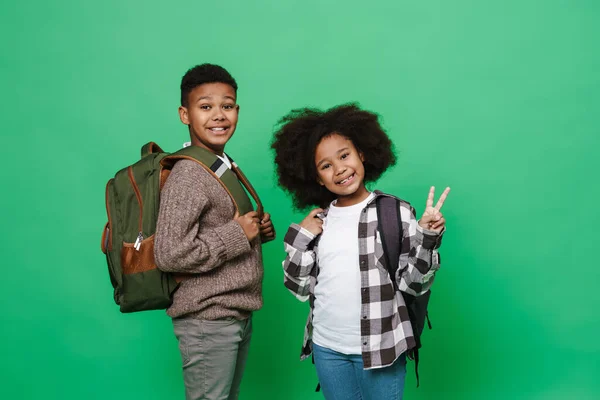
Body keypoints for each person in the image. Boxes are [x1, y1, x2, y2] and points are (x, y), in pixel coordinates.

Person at [271, 103, 450, 399]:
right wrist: (301, 236)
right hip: (328, 349)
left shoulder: (397, 212)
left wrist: (428, 236)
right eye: (326, 165)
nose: (339, 168)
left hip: (384, 345)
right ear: (317, 177)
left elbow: (413, 284)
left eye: (345, 156)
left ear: (362, 154)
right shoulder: (318, 223)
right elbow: (298, 288)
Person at [154, 63, 275, 400]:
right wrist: (238, 233)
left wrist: (256, 230)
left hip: (232, 313)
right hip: (207, 318)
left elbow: (225, 225)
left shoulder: (221, 165)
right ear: (185, 114)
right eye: (205, 107)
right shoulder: (189, 175)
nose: (218, 115)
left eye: (227, 105)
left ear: (237, 110)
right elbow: (170, 252)